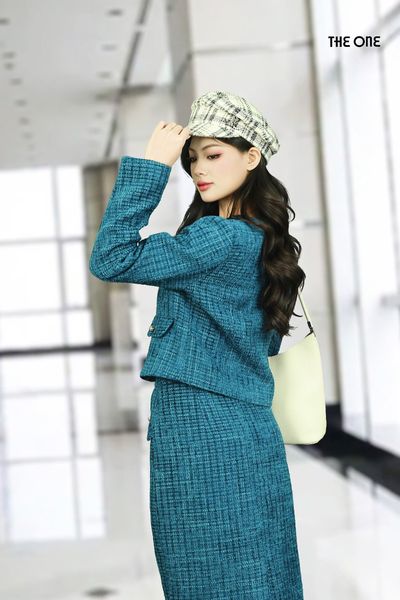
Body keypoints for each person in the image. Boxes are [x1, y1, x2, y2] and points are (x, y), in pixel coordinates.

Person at [89, 90, 306, 599]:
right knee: (258, 572)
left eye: (213, 154)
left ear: (251, 157)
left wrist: (152, 166)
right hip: (245, 429)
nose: (198, 169)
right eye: (191, 158)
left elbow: (111, 257)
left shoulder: (219, 238)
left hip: (202, 431)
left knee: (206, 578)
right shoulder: (259, 237)